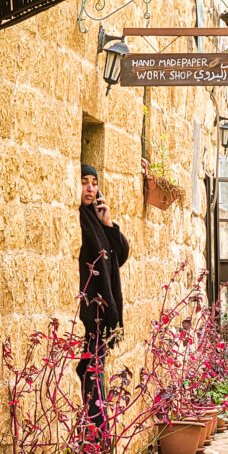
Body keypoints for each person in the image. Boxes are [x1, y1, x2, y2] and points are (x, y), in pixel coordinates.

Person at [77, 163, 130, 430]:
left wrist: (108, 223)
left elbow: (119, 255)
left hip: (102, 313)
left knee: (95, 370)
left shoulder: (96, 220)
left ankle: (97, 437)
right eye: (84, 181)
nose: (90, 187)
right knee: (90, 372)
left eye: (94, 182)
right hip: (91, 314)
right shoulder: (79, 219)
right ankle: (98, 437)